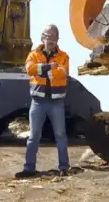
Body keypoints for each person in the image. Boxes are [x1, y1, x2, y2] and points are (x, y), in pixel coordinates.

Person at [15, 24, 70, 178]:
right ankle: (29, 168)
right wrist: (49, 67)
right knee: (33, 137)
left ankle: (64, 167)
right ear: (42, 37)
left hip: (56, 103)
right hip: (38, 103)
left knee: (60, 135)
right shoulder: (33, 54)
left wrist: (44, 72)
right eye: (47, 36)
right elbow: (29, 70)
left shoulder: (64, 56)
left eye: (53, 37)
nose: (50, 39)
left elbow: (64, 73)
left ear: (57, 39)